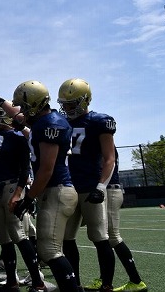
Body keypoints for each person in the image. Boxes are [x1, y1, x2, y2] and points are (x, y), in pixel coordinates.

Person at [6, 81, 80, 291]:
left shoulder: (50, 125)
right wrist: (3, 103)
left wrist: (27, 199)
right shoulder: (45, 121)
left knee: (50, 251)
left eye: (24, 106)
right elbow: (20, 119)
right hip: (54, 189)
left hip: (57, 189)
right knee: (50, 249)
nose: (21, 111)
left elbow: (46, 169)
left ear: (35, 105)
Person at [57, 79, 116, 292]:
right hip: (71, 187)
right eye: (65, 104)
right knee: (66, 238)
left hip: (91, 186)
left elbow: (110, 158)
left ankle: (107, 285)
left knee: (100, 237)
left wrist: (101, 187)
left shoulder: (99, 121)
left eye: (72, 104)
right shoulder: (61, 123)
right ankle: (76, 285)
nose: (67, 108)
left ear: (84, 100)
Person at [0, 106, 45, 292]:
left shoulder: (18, 137)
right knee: (3, 238)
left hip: (12, 187)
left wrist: (19, 193)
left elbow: (25, 169)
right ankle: (12, 280)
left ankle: (37, 280)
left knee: (19, 235)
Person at [105, 151, 147, 292]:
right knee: (103, 238)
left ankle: (136, 280)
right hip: (108, 190)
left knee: (113, 237)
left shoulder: (105, 141)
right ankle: (104, 279)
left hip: (110, 190)